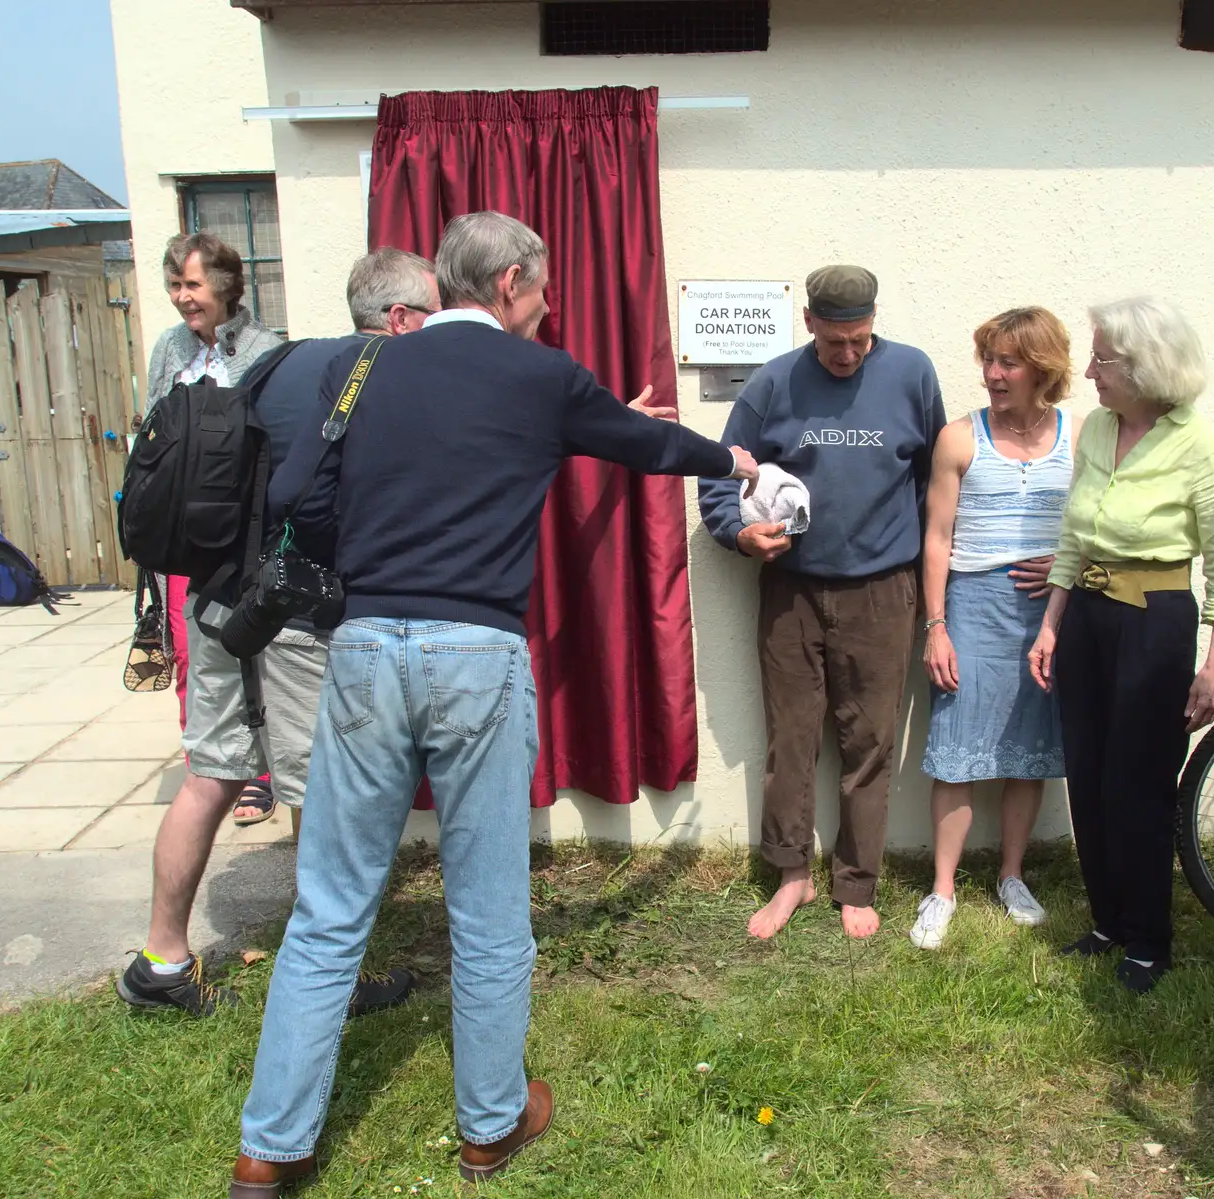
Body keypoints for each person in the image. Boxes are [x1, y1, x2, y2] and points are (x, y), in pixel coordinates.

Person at [227, 212, 758, 1196]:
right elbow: (643, 445)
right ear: (510, 282)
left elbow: (293, 491)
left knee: (330, 909)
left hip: (366, 647)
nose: (547, 301)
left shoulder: (363, 365)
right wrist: (736, 462)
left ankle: (270, 1149)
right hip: (476, 652)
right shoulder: (541, 374)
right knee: (487, 911)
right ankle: (489, 1126)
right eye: (543, 286)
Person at [115, 248, 440, 1019]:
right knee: (321, 793)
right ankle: (332, 971)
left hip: (221, 599)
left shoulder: (277, 363)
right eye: (433, 316)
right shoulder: (377, 379)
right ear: (398, 320)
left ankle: (161, 959)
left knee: (211, 776)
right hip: (290, 619)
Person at [698, 265, 946, 941]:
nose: (847, 354)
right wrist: (739, 532)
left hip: (883, 590)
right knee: (792, 735)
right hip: (791, 587)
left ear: (874, 324)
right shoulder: (773, 382)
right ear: (808, 322)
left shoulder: (913, 375)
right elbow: (722, 474)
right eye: (835, 340)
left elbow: (935, 486)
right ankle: (791, 876)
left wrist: (934, 599)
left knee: (869, 739)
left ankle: (856, 882)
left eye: (860, 341)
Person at [1027, 296, 1214, 995]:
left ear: (1148, 366)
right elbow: (1073, 536)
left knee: (1138, 783)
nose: (1089, 370)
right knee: (1087, 774)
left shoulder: (1206, 448)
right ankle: (1107, 921)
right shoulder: (1095, 429)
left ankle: (1151, 938)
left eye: (1103, 359)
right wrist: (1051, 623)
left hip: (1155, 617)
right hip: (1086, 612)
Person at [910, 307, 1077, 950]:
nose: (993, 374)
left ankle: (1012, 876)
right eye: (989, 360)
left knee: (1027, 751)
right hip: (972, 606)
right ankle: (943, 889)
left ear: (1044, 368)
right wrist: (937, 626)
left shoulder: (1079, 434)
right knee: (956, 753)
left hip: (1046, 613)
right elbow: (937, 539)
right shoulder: (960, 437)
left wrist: (1065, 569)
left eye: (1008, 362)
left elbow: (1090, 524)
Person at [145, 233, 286, 824]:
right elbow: (149, 438)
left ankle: (260, 772)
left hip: (241, 533)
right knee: (187, 653)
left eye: (193, 285)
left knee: (249, 648)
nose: (182, 298)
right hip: (182, 534)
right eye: (175, 285)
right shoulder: (168, 349)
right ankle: (206, 762)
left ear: (226, 285)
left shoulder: (266, 348)